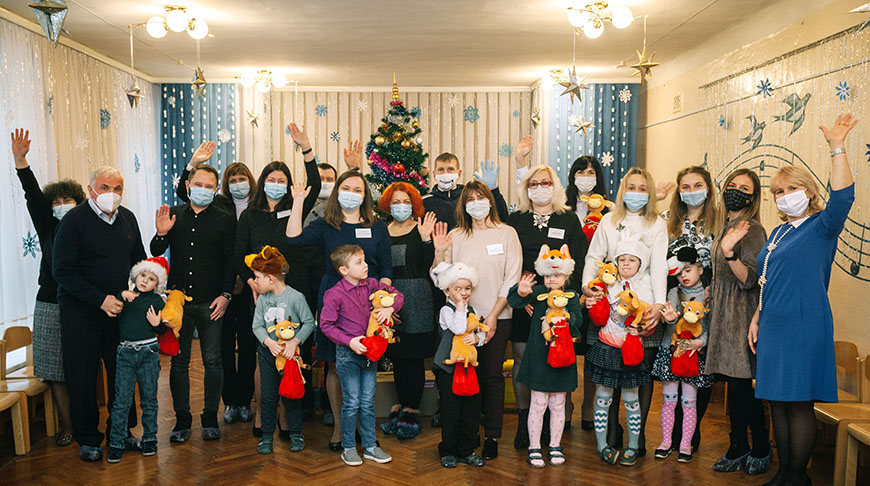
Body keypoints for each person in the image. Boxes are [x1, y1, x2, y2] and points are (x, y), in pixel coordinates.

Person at [749, 114, 858, 486]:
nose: (784, 196)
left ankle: (798, 477)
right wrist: (757, 317)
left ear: (809, 191)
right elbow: (767, 280)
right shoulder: (778, 232)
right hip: (773, 325)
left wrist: (836, 147)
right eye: (778, 191)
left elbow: (843, 196)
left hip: (803, 324)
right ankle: (784, 474)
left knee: (798, 402)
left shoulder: (822, 226)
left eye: (792, 188)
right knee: (778, 401)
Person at [285, 170, 393, 451]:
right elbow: (293, 238)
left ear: (365, 196)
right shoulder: (326, 225)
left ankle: (362, 427)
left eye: (358, 190)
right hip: (335, 300)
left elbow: (385, 268)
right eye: (346, 188)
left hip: (368, 304)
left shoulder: (377, 227)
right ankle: (339, 428)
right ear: (337, 192)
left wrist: (384, 303)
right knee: (334, 362)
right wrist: (298, 201)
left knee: (365, 360)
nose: (351, 194)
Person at [53, 166, 146, 462]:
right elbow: (62, 271)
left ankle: (122, 432)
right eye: (105, 187)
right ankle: (88, 439)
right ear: (91, 189)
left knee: (123, 374)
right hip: (81, 313)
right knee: (82, 376)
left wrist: (137, 288)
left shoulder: (128, 218)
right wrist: (100, 299)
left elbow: (138, 261)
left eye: (117, 188)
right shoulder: (73, 221)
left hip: (120, 312)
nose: (111, 194)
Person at [235, 124, 321, 435]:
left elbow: (314, 183)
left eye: (281, 181)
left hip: (295, 291)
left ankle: (288, 415)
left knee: (292, 353)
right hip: (261, 295)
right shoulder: (250, 215)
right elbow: (239, 255)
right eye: (271, 180)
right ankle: (263, 414)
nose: (276, 185)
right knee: (265, 355)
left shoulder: (296, 207)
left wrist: (306, 148)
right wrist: (252, 283)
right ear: (263, 183)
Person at [432, 180, 522, 460]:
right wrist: (439, 251)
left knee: (492, 376)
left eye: (481, 197)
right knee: (463, 377)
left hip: (498, 316)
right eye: (470, 199)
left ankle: (492, 435)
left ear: (490, 201)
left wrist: (493, 316)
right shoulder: (456, 235)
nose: (476, 203)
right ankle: (463, 440)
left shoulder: (507, 233)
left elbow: (512, 279)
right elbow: (440, 278)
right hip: (461, 319)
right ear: (463, 205)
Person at [581, 167, 667, 458]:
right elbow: (594, 258)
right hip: (609, 304)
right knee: (609, 374)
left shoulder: (657, 223)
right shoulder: (609, 220)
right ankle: (611, 433)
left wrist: (657, 305)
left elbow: (659, 265)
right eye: (632, 187)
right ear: (622, 190)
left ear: (650, 193)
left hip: (644, 304)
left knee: (638, 375)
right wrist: (588, 288)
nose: (636, 193)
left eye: (643, 188)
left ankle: (637, 438)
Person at [151, 163, 236, 443]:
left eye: (209, 186)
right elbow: (155, 250)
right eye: (198, 184)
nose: (203, 189)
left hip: (212, 301)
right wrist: (161, 232)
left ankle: (210, 416)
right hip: (178, 302)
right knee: (179, 362)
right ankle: (182, 419)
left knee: (213, 361)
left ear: (216, 190)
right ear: (188, 186)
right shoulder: (175, 214)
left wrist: (226, 295)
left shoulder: (225, 219)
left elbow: (230, 261)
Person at [175, 143, 260, 425]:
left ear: (251, 181)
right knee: (222, 348)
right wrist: (192, 163)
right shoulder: (219, 205)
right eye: (232, 180)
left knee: (247, 344)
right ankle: (229, 401)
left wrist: (242, 279)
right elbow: (185, 194)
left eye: (242, 179)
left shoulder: (258, 207)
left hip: (249, 285)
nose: (238, 184)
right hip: (221, 288)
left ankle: (244, 400)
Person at [11, 128, 85, 447]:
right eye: (56, 201)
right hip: (49, 302)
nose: (61, 204)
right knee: (54, 370)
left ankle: (86, 425)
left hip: (82, 303)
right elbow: (32, 195)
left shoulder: (88, 227)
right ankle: (68, 427)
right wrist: (21, 161)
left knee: (80, 368)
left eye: (67, 200)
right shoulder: (48, 225)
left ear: (79, 203)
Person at [506, 164, 587, 448]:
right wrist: (525, 297)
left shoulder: (568, 219)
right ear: (526, 188)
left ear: (555, 186)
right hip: (526, 300)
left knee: (557, 356)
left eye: (545, 182)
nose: (540, 188)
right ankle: (525, 420)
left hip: (560, 303)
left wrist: (566, 300)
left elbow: (579, 259)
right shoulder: (516, 220)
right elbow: (510, 260)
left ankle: (554, 420)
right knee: (521, 359)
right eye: (534, 184)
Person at [705, 168, 771, 475]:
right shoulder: (725, 226)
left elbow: (750, 279)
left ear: (753, 197)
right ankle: (738, 444)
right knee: (734, 384)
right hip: (722, 311)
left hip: (741, 314)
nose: (736, 191)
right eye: (732, 185)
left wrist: (730, 255)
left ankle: (759, 445)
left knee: (742, 384)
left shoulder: (752, 229)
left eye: (744, 188)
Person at [320, 245, 404, 466]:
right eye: (359, 262)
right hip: (347, 353)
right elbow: (326, 325)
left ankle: (370, 446)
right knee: (351, 402)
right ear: (343, 270)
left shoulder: (373, 285)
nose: (366, 265)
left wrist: (390, 308)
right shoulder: (334, 294)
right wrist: (349, 341)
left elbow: (398, 295)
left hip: (370, 353)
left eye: (364, 260)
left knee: (367, 402)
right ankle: (348, 447)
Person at [508, 249, 582, 468]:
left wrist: (565, 317)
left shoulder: (572, 297)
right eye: (548, 275)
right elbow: (514, 301)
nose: (552, 279)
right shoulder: (538, 292)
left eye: (557, 275)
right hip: (540, 359)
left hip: (562, 359)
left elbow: (578, 321)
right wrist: (521, 291)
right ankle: (534, 447)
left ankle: (555, 445)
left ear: (566, 276)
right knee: (538, 404)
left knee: (558, 405)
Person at [662, 165, 719, 453]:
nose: (692, 191)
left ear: (708, 189)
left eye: (697, 185)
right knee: (675, 365)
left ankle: (690, 433)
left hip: (706, 301)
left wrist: (712, 287)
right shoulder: (667, 221)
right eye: (686, 186)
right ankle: (671, 435)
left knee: (698, 370)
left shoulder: (719, 223)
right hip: (676, 296)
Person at [585, 234, 655, 466]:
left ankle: (633, 445)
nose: (626, 264)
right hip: (607, 349)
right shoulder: (606, 284)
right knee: (603, 397)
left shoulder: (646, 288)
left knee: (631, 398)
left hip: (630, 353)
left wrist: (642, 330)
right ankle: (602, 444)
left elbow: (650, 322)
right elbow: (597, 313)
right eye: (622, 259)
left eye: (632, 260)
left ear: (640, 263)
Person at [377, 182, 437, 440]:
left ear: (413, 204)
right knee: (398, 356)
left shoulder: (421, 228)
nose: (400, 206)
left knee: (414, 357)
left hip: (418, 297)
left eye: (405, 202)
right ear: (388, 205)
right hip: (390, 299)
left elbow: (432, 267)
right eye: (396, 202)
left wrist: (426, 240)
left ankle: (412, 410)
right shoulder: (382, 230)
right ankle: (401, 405)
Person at [246, 246, 316, 454]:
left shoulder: (296, 297)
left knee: (292, 396)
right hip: (268, 355)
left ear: (270, 278)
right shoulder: (262, 299)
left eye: (257, 277)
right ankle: (267, 435)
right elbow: (257, 326)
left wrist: (295, 341)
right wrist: (268, 342)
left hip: (290, 358)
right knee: (268, 397)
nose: (255, 282)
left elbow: (309, 322)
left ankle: (296, 433)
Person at [651, 248, 714, 464]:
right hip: (671, 352)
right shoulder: (674, 293)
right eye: (679, 273)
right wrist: (669, 318)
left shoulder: (708, 295)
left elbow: (709, 326)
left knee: (689, 402)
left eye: (688, 270)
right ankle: (666, 442)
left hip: (693, 355)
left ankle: (686, 444)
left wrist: (700, 342)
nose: (683, 276)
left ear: (700, 269)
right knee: (669, 401)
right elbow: (671, 318)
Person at [106, 257, 169, 463]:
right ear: (135, 275)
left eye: (151, 279)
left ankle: (149, 439)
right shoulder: (126, 297)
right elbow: (113, 313)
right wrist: (121, 295)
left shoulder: (157, 301)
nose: (145, 281)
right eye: (143, 275)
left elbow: (163, 330)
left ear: (156, 284)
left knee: (149, 399)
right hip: (125, 353)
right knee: (121, 401)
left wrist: (157, 324)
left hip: (148, 352)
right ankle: (117, 442)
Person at [430, 261, 486, 468]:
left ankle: (466, 450)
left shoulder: (472, 309)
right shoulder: (446, 311)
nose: (464, 293)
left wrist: (477, 339)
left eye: (467, 288)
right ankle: (448, 450)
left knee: (470, 411)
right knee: (451, 411)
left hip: (468, 368)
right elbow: (459, 327)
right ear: (447, 291)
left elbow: (481, 331)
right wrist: (461, 307)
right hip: (448, 369)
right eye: (458, 289)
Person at [422, 152, 509, 229]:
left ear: (459, 173)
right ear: (434, 174)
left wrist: (493, 190)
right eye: (441, 169)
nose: (445, 173)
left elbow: (500, 219)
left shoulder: (471, 197)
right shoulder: (425, 201)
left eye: (450, 169)